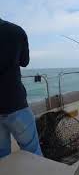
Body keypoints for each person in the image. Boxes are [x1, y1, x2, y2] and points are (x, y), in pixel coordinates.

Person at [0, 18, 42, 158]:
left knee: (2, 158)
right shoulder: (17, 31)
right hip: (16, 104)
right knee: (33, 153)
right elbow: (25, 61)